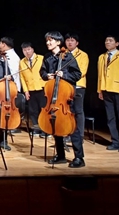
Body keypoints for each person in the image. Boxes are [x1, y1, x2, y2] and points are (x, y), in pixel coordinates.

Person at [39, 31, 83, 168]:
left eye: (50, 40)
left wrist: (64, 74)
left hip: (67, 98)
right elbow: (42, 72)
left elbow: (77, 74)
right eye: (47, 40)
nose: (48, 43)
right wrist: (47, 76)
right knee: (55, 126)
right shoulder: (47, 57)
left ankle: (79, 158)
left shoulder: (68, 56)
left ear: (58, 42)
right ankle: (61, 156)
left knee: (73, 129)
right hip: (53, 97)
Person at [98, 35, 119, 153]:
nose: (107, 42)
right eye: (106, 40)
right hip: (106, 90)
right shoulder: (102, 57)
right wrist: (100, 90)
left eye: (110, 40)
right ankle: (115, 142)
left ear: (117, 44)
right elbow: (100, 75)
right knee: (110, 118)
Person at [64, 33, 88, 154]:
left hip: (78, 86)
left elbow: (82, 72)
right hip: (66, 87)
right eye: (68, 40)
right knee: (68, 111)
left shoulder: (83, 55)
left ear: (77, 43)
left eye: (72, 40)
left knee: (78, 111)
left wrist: (66, 76)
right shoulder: (63, 54)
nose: (69, 42)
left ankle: (80, 135)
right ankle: (68, 132)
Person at [19, 41, 46, 135]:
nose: (27, 52)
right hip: (30, 89)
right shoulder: (22, 62)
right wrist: (26, 91)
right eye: (24, 50)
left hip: (42, 87)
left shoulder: (41, 58)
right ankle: (36, 128)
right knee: (33, 110)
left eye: (28, 49)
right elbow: (22, 77)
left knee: (43, 109)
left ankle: (45, 129)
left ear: (33, 49)